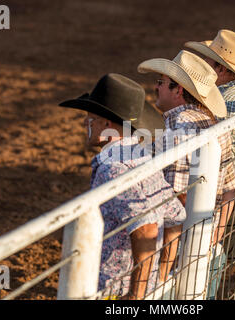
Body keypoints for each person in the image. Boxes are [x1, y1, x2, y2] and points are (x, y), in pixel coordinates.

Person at [58, 73, 186, 300]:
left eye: (90, 118)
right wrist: (161, 273)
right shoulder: (143, 157)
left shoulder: (113, 169)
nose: (84, 123)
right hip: (148, 284)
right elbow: (175, 215)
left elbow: (146, 228)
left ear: (106, 123)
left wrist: (135, 295)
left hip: (112, 290)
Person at [137, 50, 235, 292]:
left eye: (161, 83)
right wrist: (217, 233)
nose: (156, 88)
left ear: (178, 90)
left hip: (173, 251)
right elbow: (230, 188)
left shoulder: (174, 128)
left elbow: (174, 197)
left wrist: (162, 266)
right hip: (206, 240)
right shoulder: (216, 124)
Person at [185, 30, 235, 261]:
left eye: (208, 62)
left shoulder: (220, 103)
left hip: (217, 204)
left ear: (221, 69)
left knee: (197, 266)